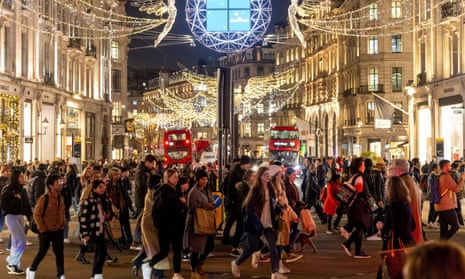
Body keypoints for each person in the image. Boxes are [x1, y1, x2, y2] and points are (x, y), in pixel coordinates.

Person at [231, 166, 287, 279]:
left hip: (268, 223)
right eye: (265, 174)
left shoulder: (270, 188)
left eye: (268, 174)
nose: (268, 176)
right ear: (260, 177)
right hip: (256, 224)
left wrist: (278, 210)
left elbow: (271, 205)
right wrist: (257, 224)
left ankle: (274, 272)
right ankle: (236, 263)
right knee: (250, 248)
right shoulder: (255, 189)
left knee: (273, 247)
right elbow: (250, 209)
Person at [25, 174, 66, 279]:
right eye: (57, 183)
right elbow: (36, 215)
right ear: (51, 185)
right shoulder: (44, 199)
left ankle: (60, 274)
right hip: (46, 230)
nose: (60, 184)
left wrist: (62, 224)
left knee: (59, 253)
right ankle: (32, 269)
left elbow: (62, 212)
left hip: (58, 230)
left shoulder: (61, 197)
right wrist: (42, 229)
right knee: (42, 251)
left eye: (60, 182)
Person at [150, 168, 185, 279]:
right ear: (168, 178)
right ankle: (149, 264)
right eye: (174, 177)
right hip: (166, 226)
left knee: (177, 250)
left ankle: (177, 273)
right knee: (164, 251)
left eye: (177, 177)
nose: (177, 179)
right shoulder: (164, 191)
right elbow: (163, 209)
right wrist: (180, 204)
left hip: (176, 225)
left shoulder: (176, 189)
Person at [183, 169, 215, 279]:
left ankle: (199, 265)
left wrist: (211, 205)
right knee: (196, 249)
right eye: (202, 179)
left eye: (206, 179)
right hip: (196, 223)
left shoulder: (207, 190)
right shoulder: (193, 192)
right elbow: (191, 207)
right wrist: (205, 206)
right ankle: (194, 269)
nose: (204, 181)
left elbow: (210, 202)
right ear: (198, 179)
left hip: (206, 221)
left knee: (210, 245)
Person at [79, 179, 114, 279]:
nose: (103, 189)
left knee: (99, 253)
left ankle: (95, 275)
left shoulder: (103, 200)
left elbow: (108, 215)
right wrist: (85, 234)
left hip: (101, 231)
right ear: (94, 189)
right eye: (100, 187)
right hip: (92, 232)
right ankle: (98, 274)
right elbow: (83, 219)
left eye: (104, 187)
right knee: (102, 253)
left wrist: (109, 213)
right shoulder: (89, 202)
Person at [0, 168, 33, 275]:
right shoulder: (8, 189)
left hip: (20, 217)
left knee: (16, 242)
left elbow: (27, 205)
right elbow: (4, 205)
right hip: (11, 217)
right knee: (22, 240)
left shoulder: (22, 189)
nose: (23, 178)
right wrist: (16, 200)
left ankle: (14, 265)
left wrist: (30, 216)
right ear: (16, 178)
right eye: (21, 176)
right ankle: (12, 261)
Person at [340, 157, 371, 259]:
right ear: (359, 167)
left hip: (352, 206)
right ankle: (350, 245)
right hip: (358, 206)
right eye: (363, 165)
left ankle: (357, 250)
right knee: (361, 227)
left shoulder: (352, 176)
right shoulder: (359, 178)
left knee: (359, 227)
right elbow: (359, 192)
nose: (364, 167)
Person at [389, 159, 425, 244]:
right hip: (412, 225)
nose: (390, 171)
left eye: (392, 169)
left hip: (405, 226)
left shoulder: (402, 183)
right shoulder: (410, 180)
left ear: (398, 170)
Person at [222, 155, 250, 246]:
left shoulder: (238, 172)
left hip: (236, 201)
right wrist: (233, 199)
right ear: (244, 164)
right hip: (236, 202)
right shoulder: (236, 173)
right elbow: (230, 188)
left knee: (231, 220)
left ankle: (227, 238)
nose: (248, 166)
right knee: (237, 222)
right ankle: (234, 242)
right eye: (248, 164)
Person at [435, 160, 465, 239]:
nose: (450, 167)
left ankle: (441, 248)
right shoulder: (446, 177)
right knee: (455, 226)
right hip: (447, 206)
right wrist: (462, 179)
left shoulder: (440, 176)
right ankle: (441, 243)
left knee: (443, 229)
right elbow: (457, 189)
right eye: (449, 165)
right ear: (445, 166)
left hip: (440, 206)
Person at [132, 154, 157, 251]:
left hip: (145, 198)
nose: (153, 166)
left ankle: (140, 240)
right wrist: (150, 183)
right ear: (148, 162)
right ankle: (136, 240)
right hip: (142, 198)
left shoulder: (147, 171)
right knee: (141, 220)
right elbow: (140, 185)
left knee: (143, 219)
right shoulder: (141, 172)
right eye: (152, 164)